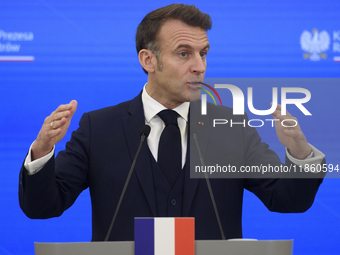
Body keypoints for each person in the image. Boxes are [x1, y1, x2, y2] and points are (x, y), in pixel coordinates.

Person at [19, 4, 325, 241]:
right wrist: (42, 151)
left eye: (203, 53)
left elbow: (288, 200)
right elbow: (43, 207)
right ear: (148, 60)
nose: (199, 67)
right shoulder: (98, 128)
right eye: (184, 53)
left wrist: (299, 152)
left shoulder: (231, 127)